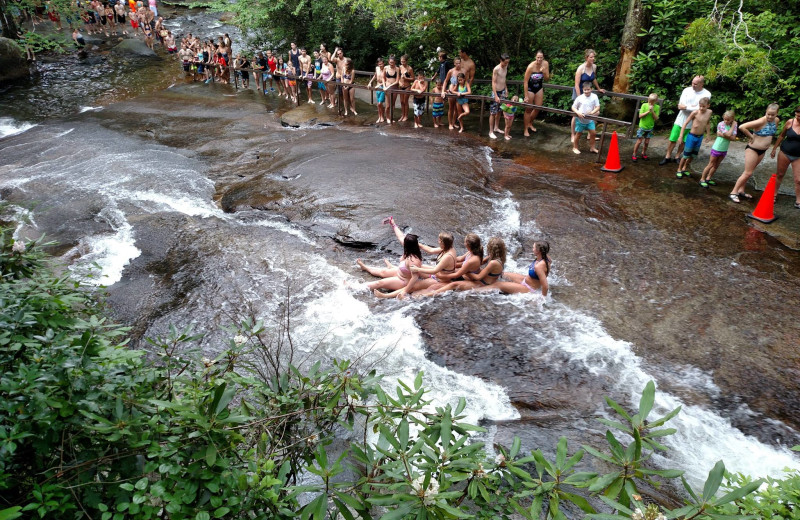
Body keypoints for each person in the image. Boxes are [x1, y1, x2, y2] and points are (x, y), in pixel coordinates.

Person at [375, 231, 461, 299]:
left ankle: (385, 296)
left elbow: (435, 270)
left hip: (440, 280)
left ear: (443, 242)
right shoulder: (448, 248)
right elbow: (430, 250)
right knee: (416, 267)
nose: (437, 241)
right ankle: (395, 269)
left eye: (439, 240)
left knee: (413, 286)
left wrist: (418, 269)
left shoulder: (447, 256)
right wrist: (415, 244)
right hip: (437, 275)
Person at [729, 104, 780, 203]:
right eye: (768, 114)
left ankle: (741, 190)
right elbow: (742, 127)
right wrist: (751, 136)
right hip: (753, 149)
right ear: (765, 112)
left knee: (749, 172)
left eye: (772, 115)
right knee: (747, 172)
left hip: (762, 151)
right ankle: (733, 192)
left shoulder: (776, 120)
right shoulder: (761, 121)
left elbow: (771, 133)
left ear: (777, 114)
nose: (770, 116)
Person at [357, 224, 423, 293]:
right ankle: (365, 268)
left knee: (380, 283)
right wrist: (393, 224)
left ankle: (356, 287)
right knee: (383, 272)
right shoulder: (410, 249)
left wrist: (405, 291)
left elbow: (415, 278)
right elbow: (400, 236)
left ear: (408, 245)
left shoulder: (414, 260)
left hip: (403, 281)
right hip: (400, 272)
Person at [660, 76, 712, 165]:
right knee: (673, 138)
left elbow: (700, 108)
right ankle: (667, 156)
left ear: (701, 84)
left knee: (684, 141)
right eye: (692, 82)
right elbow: (680, 105)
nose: (693, 85)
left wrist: (687, 107)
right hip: (680, 118)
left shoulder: (707, 94)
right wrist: (690, 107)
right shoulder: (686, 90)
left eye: (695, 84)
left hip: (694, 121)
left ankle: (677, 156)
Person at [432, 237, 506, 295]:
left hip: (483, 283)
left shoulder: (493, 262)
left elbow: (478, 277)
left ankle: (430, 294)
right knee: (456, 271)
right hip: (484, 279)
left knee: (454, 284)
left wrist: (466, 271)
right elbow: (481, 262)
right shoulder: (499, 258)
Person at [771, 106, 800, 209]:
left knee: (798, 179)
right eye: (796, 115)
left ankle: (798, 200)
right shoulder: (790, 122)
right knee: (780, 174)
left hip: (798, 156)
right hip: (785, 152)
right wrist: (774, 149)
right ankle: (774, 195)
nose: (798, 117)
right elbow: (782, 136)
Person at [676, 97, 712, 179]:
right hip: (692, 136)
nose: (701, 108)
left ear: (708, 106)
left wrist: (708, 134)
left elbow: (708, 123)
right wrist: (681, 135)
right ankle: (679, 169)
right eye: (700, 106)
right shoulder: (695, 113)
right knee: (685, 155)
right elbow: (685, 123)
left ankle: (685, 168)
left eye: (703, 106)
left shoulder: (709, 112)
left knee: (693, 155)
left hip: (700, 137)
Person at [572, 49, 605, 139]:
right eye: (591, 57)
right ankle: (573, 134)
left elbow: (593, 78)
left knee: (594, 112)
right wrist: (579, 98)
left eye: (594, 57)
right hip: (579, 91)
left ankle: (590, 134)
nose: (593, 58)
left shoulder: (594, 66)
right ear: (586, 58)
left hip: (588, 91)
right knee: (577, 113)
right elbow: (576, 84)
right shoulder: (581, 68)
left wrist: (598, 89)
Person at [700, 110, 737, 188]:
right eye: (725, 119)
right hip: (717, 147)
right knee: (711, 164)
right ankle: (702, 179)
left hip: (724, 149)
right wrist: (732, 127)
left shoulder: (733, 125)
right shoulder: (721, 124)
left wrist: (722, 135)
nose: (726, 121)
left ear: (732, 119)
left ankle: (708, 178)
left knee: (716, 165)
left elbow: (733, 138)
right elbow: (729, 134)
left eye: (728, 120)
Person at [522, 50, 550, 136]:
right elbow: (525, 81)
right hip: (530, 88)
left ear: (543, 58)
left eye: (541, 57)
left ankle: (530, 123)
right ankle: (525, 129)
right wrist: (526, 95)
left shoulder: (545, 64)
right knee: (528, 109)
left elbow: (547, 79)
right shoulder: (531, 66)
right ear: (535, 57)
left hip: (539, 87)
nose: (539, 59)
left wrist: (544, 72)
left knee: (538, 107)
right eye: (538, 57)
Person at [571, 82, 600, 154]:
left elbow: (598, 106)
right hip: (581, 119)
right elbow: (573, 107)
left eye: (588, 89)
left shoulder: (594, 96)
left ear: (591, 89)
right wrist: (578, 112)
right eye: (585, 90)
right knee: (578, 134)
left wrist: (593, 112)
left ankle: (592, 148)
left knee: (593, 133)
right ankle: (575, 147)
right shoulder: (579, 98)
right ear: (582, 90)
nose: (586, 91)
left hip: (590, 119)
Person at [632, 93, 660, 161]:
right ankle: (634, 154)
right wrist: (648, 111)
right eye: (649, 100)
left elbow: (656, 118)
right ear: (648, 99)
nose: (650, 102)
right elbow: (640, 116)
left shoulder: (657, 107)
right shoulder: (644, 105)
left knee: (647, 142)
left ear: (656, 101)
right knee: (639, 141)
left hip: (650, 127)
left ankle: (643, 153)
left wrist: (652, 111)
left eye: (652, 101)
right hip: (642, 127)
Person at [489, 54, 510, 140]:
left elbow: (504, 79)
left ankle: (496, 127)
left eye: (507, 62)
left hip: (502, 90)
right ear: (501, 61)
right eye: (505, 62)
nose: (506, 64)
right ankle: (490, 131)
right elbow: (493, 82)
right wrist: (496, 96)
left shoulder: (506, 66)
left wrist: (506, 89)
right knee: (493, 112)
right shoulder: (496, 69)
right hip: (496, 91)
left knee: (500, 110)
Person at [441, 57, 463, 130]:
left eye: (459, 63)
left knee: (457, 109)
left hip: (459, 91)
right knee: (451, 108)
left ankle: (454, 123)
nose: (458, 64)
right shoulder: (451, 71)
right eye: (456, 63)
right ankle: (450, 124)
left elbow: (465, 81)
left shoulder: (463, 71)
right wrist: (443, 91)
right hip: (451, 91)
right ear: (454, 63)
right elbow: (446, 81)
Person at [367, 57, 386, 123]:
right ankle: (379, 116)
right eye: (379, 64)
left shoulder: (386, 69)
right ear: (377, 64)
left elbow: (388, 80)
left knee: (380, 103)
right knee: (378, 104)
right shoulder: (377, 68)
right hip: (377, 87)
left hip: (383, 87)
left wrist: (380, 84)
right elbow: (375, 76)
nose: (380, 65)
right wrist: (370, 82)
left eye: (381, 64)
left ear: (383, 63)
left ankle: (382, 116)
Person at [397, 55, 414, 122]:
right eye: (401, 61)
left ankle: (406, 116)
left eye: (404, 61)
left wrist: (406, 78)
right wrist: (399, 82)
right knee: (401, 102)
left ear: (407, 61)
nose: (402, 63)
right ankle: (403, 115)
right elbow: (398, 77)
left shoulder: (409, 68)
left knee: (405, 101)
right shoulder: (400, 67)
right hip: (401, 86)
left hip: (407, 86)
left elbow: (413, 78)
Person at [383, 55, 399, 124]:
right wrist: (384, 86)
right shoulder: (385, 68)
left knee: (393, 104)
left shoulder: (397, 69)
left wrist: (390, 86)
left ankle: (391, 117)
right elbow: (383, 78)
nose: (391, 64)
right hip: (387, 88)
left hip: (394, 87)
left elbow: (397, 81)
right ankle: (387, 117)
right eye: (390, 62)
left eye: (392, 62)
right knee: (387, 105)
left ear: (395, 62)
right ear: (388, 62)